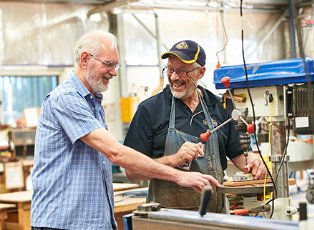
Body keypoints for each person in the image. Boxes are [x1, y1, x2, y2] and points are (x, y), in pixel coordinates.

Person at [30, 31, 220, 230]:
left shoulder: (93, 102)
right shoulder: (66, 99)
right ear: (85, 59)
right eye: (108, 64)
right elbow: (115, 152)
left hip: (91, 222)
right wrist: (178, 175)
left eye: (116, 65)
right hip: (63, 224)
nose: (114, 72)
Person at [124, 40, 267, 213]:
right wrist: (173, 160)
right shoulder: (150, 110)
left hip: (214, 217)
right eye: (170, 69)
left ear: (201, 72)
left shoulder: (220, 107)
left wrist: (253, 162)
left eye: (183, 71)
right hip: (167, 219)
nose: (175, 77)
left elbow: (240, 156)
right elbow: (132, 171)